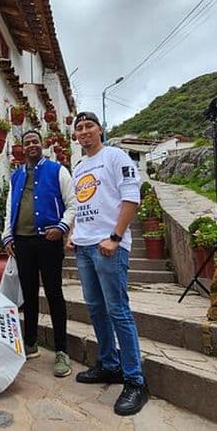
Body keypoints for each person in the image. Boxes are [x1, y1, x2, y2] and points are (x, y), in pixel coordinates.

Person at [69, 111, 148, 416]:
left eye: (89, 126)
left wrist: (115, 237)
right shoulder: (79, 168)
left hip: (108, 247)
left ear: (100, 129)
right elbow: (82, 203)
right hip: (85, 247)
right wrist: (74, 233)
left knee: (118, 311)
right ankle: (109, 364)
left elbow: (131, 198)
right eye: (79, 128)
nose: (84, 131)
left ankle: (135, 380)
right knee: (96, 309)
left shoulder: (116, 157)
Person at [1, 129, 75, 377]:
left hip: (49, 241)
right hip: (22, 242)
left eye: (35, 141)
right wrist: (7, 236)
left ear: (42, 145)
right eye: (27, 142)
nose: (31, 145)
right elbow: (10, 208)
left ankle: (62, 351)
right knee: (29, 294)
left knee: (54, 294)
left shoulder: (57, 170)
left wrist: (62, 227)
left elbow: (73, 203)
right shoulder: (16, 175)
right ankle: (30, 343)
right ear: (22, 148)